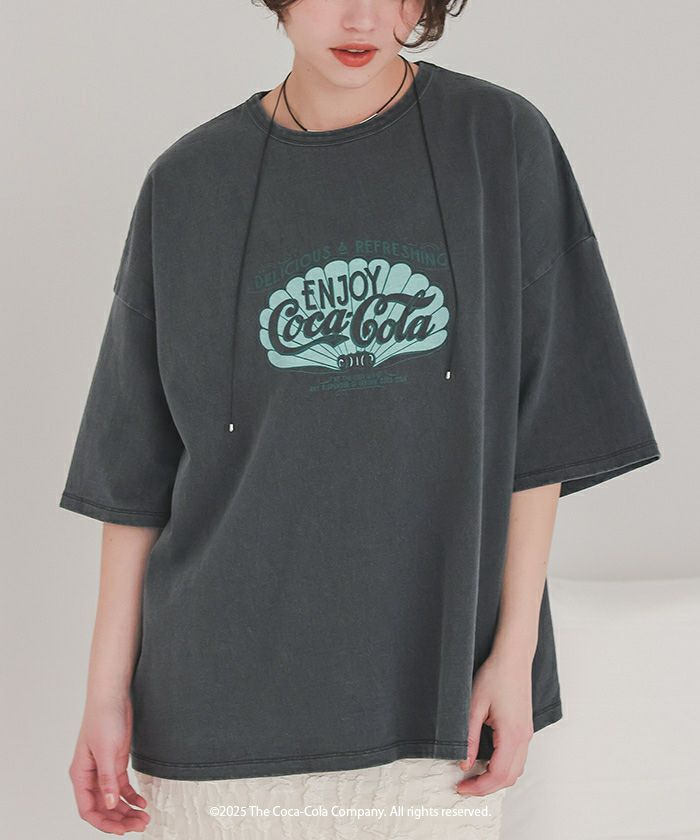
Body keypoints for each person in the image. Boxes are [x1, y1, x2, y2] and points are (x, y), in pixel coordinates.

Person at [59, 1, 662, 837]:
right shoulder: (189, 182)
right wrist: (103, 695)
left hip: (432, 709)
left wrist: (514, 652)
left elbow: (544, 425)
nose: (363, 16)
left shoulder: (496, 142)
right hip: (214, 711)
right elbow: (135, 474)